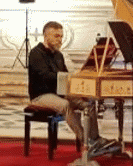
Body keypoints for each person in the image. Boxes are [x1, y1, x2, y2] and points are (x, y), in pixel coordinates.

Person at [28, 21, 113, 155]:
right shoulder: (35, 53)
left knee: (88, 102)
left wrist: (78, 76)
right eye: (56, 36)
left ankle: (96, 138)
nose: (60, 40)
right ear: (46, 36)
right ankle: (86, 141)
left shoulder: (58, 55)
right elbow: (44, 76)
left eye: (61, 36)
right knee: (66, 104)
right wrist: (67, 76)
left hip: (59, 92)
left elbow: (66, 75)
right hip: (41, 95)